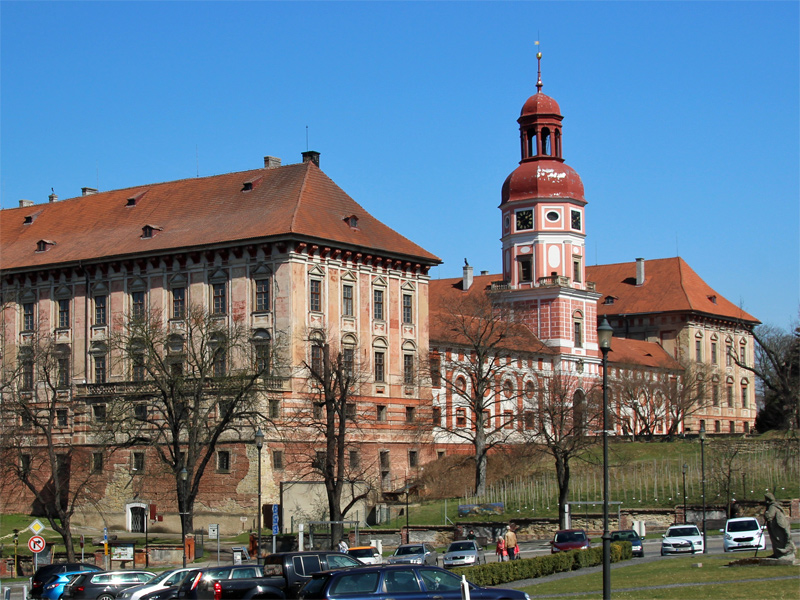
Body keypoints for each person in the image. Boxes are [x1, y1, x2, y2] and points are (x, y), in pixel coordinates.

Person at [763, 492, 796, 559]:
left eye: (766, 499)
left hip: (776, 527)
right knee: (776, 540)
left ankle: (781, 553)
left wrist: (766, 514)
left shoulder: (772, 507)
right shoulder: (774, 506)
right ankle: (777, 553)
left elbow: (769, 516)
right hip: (775, 526)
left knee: (778, 540)